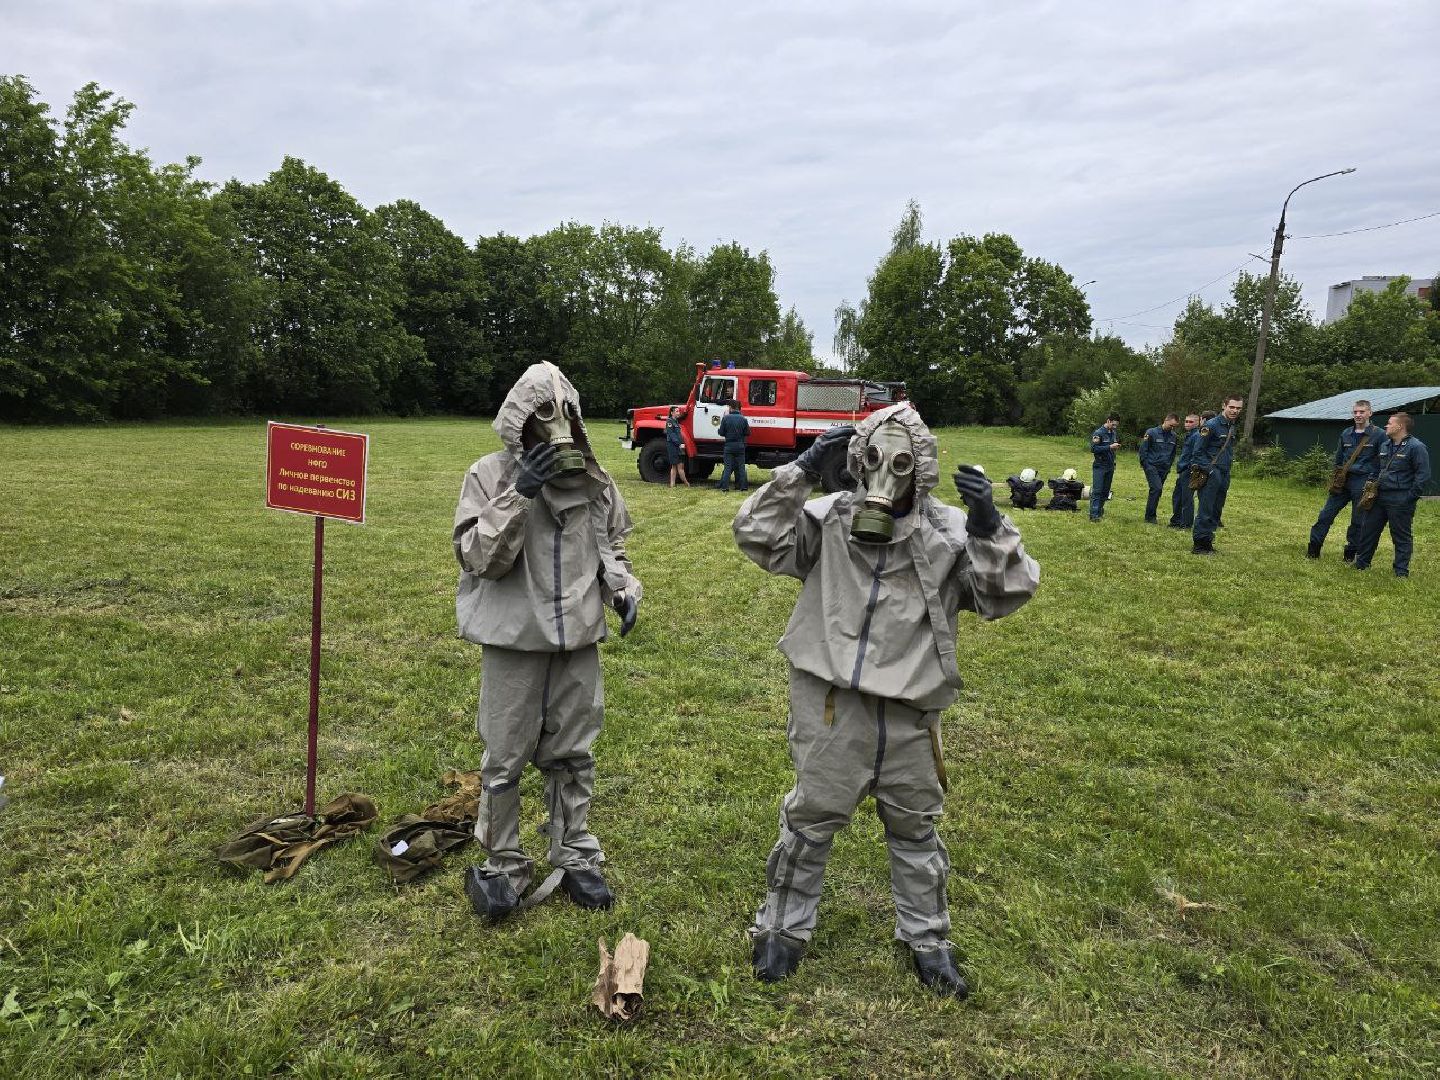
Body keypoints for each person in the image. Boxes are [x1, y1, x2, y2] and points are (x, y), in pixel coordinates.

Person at [732, 404, 1040, 998]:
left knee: (915, 828)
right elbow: (755, 535)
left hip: (910, 715)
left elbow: (1007, 594)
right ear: (856, 459)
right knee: (810, 819)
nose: (884, 476)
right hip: (831, 706)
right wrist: (800, 471)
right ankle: (783, 927)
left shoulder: (947, 535)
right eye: (873, 459)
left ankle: (928, 938)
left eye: (900, 463)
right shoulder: (826, 521)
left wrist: (987, 523)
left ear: (920, 469)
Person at [453, 362, 643, 922]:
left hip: (577, 640)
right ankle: (501, 862)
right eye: (542, 414)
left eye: (564, 413)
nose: (555, 424)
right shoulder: (489, 475)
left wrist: (623, 589)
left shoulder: (594, 479)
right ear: (520, 422)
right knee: (506, 756)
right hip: (515, 640)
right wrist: (520, 493)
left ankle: (574, 852)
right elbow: (478, 559)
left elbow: (609, 547)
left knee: (573, 753)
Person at [1351, 412, 1430, 577]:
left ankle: (1401, 571)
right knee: (1368, 530)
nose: (1386, 426)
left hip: (1400, 499)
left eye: (1389, 423)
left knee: (1401, 536)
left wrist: (1409, 497)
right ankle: (1361, 564)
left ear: (1400, 426)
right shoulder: (1385, 445)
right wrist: (1370, 485)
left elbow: (1423, 475)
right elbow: (1376, 468)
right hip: (1378, 497)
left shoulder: (1416, 447)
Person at [1306, 399, 1383, 561]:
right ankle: (1313, 550)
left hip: (1363, 482)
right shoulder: (1346, 433)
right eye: (1355, 412)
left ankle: (1350, 555)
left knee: (1358, 521)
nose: (1358, 415)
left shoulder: (1379, 435)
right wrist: (1336, 478)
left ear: (1370, 413)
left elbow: (1381, 461)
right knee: (1325, 515)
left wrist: (1372, 482)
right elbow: (1339, 458)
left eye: (1362, 412)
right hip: (1343, 481)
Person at [1190, 395, 1243, 556]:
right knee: (1206, 509)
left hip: (1224, 473)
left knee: (1216, 510)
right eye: (1232, 407)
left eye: (1238, 408)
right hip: (1211, 473)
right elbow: (1198, 452)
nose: (1235, 411)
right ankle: (1199, 545)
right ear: (1224, 406)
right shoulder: (1211, 425)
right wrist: (1210, 471)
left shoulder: (1231, 426)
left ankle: (1208, 542)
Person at [1138, 414, 1180, 523]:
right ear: (1166, 420)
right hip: (1152, 466)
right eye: (1171, 425)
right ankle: (1151, 516)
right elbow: (1143, 449)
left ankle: (1150, 515)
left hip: (1164, 468)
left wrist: (1169, 465)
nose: (1172, 428)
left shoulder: (1174, 436)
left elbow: (1173, 453)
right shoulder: (1151, 432)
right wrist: (1146, 464)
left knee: (1157, 491)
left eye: (1174, 426)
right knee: (1157, 488)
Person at [1167, 413, 1204, 529]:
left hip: (1188, 471)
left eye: (1190, 422)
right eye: (1186, 421)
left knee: (1187, 499)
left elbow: (1196, 454)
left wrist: (1190, 469)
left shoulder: (1197, 436)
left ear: (1197, 423)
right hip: (1182, 470)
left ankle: (1186, 524)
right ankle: (1176, 521)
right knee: (1177, 497)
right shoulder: (1189, 435)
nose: (1187, 424)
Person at [1088, 414, 1121, 520]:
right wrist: (1109, 447)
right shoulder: (1098, 433)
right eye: (1113, 424)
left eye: (1117, 425)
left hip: (1110, 465)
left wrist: (1115, 448)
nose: (1115, 427)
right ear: (1108, 421)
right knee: (1097, 490)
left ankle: (1100, 511)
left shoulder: (1113, 433)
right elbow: (1094, 449)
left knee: (1105, 491)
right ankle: (1094, 514)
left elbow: (1111, 448)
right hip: (1100, 465)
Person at [716, 401, 751, 492]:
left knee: (727, 467)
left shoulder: (726, 418)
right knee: (741, 467)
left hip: (729, 445)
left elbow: (722, 432)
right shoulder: (743, 419)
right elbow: (748, 433)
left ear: (731, 408)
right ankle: (743, 487)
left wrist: (719, 430)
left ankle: (725, 487)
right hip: (740, 445)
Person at [665, 405, 691, 488]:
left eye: (678, 411)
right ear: (672, 413)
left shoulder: (676, 421)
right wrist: (679, 444)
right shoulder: (670, 421)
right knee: (674, 465)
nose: (678, 413)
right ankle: (679, 484)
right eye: (676, 411)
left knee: (680, 466)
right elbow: (671, 434)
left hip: (679, 446)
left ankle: (684, 483)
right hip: (673, 446)